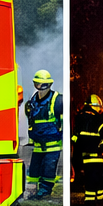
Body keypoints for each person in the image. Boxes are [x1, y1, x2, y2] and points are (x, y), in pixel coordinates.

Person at [23, 70, 64, 199]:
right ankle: (33, 191)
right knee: (34, 171)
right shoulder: (32, 101)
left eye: (43, 85)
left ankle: (45, 192)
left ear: (49, 85)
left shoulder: (57, 101)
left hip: (53, 146)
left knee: (48, 170)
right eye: (37, 84)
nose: (40, 88)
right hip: (38, 145)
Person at [72, 94, 103, 203]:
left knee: (89, 180)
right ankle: (98, 202)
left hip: (84, 158)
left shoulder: (79, 119)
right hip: (98, 158)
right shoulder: (100, 120)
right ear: (95, 106)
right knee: (98, 181)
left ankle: (89, 203)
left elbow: (75, 140)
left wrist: (75, 161)